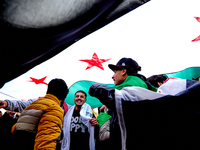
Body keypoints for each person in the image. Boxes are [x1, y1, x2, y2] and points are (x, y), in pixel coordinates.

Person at [89, 57, 157, 150]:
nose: (112, 76)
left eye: (115, 72)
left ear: (123, 71)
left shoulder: (134, 86)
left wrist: (95, 87)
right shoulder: (138, 87)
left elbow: (105, 138)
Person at [11, 78, 69, 150]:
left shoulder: (33, 104)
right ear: (63, 98)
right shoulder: (55, 108)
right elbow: (46, 141)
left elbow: (16, 128)